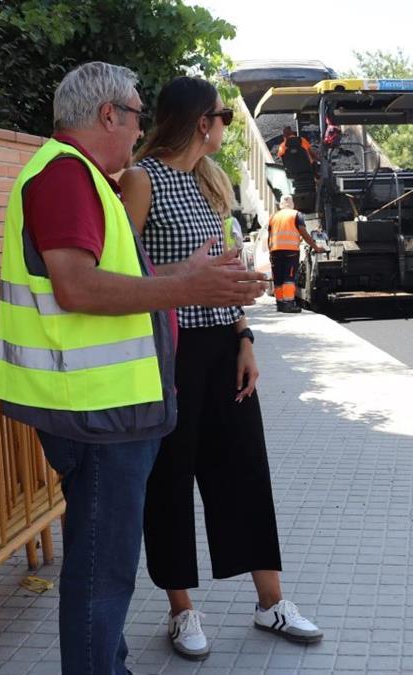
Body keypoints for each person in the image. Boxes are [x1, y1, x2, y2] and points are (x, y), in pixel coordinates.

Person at [0, 62, 266, 675]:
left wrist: (192, 282)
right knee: (102, 573)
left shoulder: (82, 177)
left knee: (105, 567)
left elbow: (117, 281)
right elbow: (78, 288)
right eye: (138, 113)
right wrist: (185, 287)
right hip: (96, 414)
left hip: (104, 409)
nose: (142, 126)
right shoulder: (67, 178)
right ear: (109, 114)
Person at [118, 76, 324, 661]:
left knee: (245, 473)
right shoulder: (140, 180)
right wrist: (185, 276)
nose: (226, 127)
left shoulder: (209, 179)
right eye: (222, 117)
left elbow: (227, 272)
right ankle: (182, 610)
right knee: (171, 481)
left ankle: (271, 603)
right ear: (196, 120)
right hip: (172, 352)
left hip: (223, 348)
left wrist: (246, 338)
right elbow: (126, 277)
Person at [267, 194, 324, 313]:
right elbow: (303, 233)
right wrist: (315, 247)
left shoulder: (273, 217)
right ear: (292, 203)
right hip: (290, 251)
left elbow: (269, 237)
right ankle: (288, 303)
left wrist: (270, 252)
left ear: (281, 205)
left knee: (278, 278)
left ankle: (280, 303)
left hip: (275, 251)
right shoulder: (296, 214)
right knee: (289, 277)